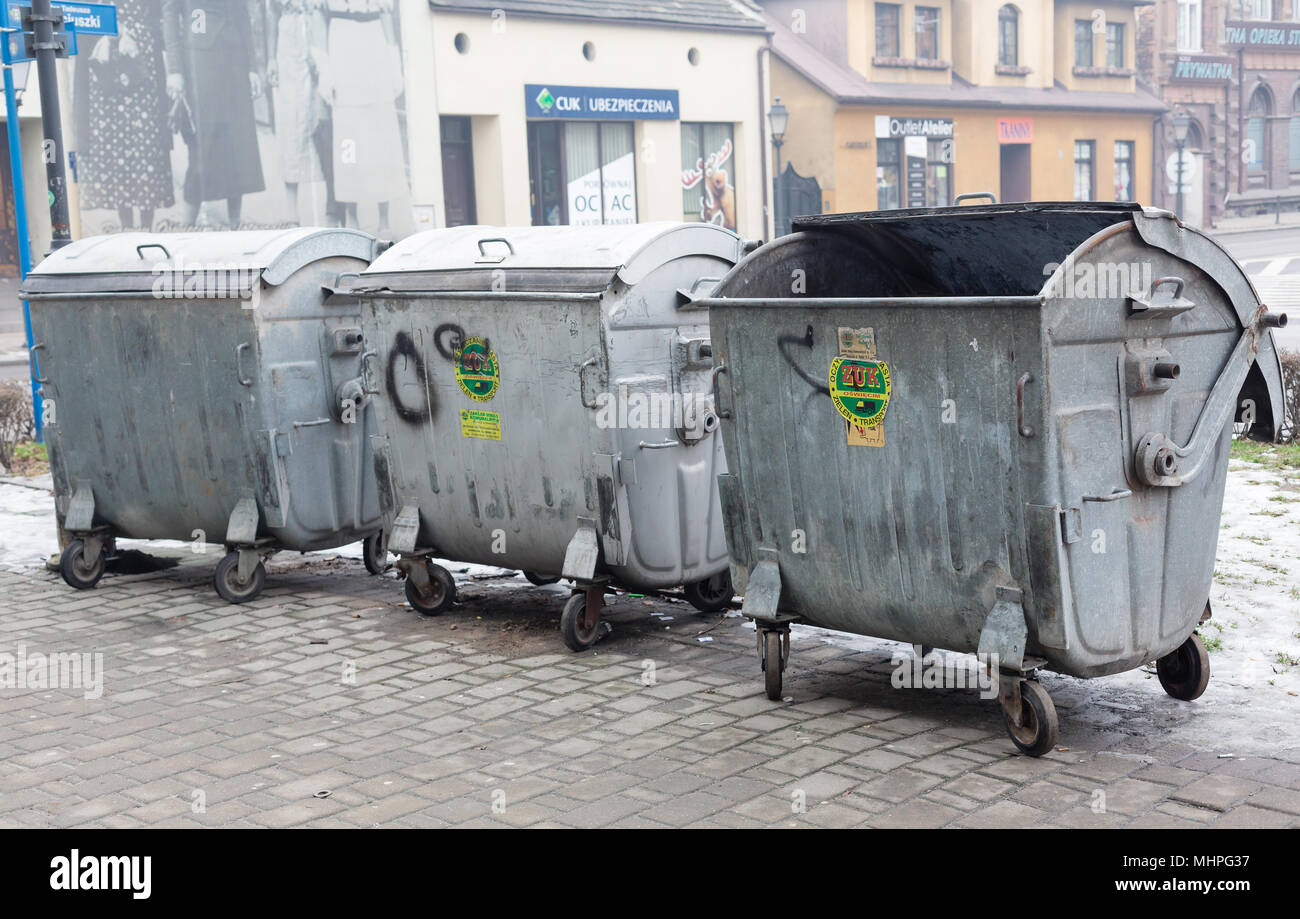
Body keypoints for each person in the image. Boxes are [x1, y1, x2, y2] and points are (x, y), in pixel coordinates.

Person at [161, 0, 266, 227]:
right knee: (202, 147)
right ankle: (185, 227)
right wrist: (175, 70)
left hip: (235, 62)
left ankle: (235, 225)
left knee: (237, 145)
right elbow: (169, 18)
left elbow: (242, 16)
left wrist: (252, 68)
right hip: (199, 65)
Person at [74, 0, 173, 230]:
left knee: (145, 139)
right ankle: (125, 223)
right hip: (105, 62)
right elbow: (83, 15)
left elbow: (158, 15)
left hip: (141, 57)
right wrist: (108, 30)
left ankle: (148, 221)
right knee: (114, 141)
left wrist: (134, 32)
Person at [318, 0, 406, 235]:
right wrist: (325, 72)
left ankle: (384, 221)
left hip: (373, 41)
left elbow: (387, 18)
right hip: (341, 42)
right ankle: (352, 219)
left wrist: (394, 66)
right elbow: (319, 22)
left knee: (382, 136)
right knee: (348, 141)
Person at [268, 0, 325, 224]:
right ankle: (292, 209)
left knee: (319, 120)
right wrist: (271, 58)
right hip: (288, 43)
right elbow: (272, 14)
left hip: (317, 31)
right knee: (290, 120)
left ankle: (327, 208)